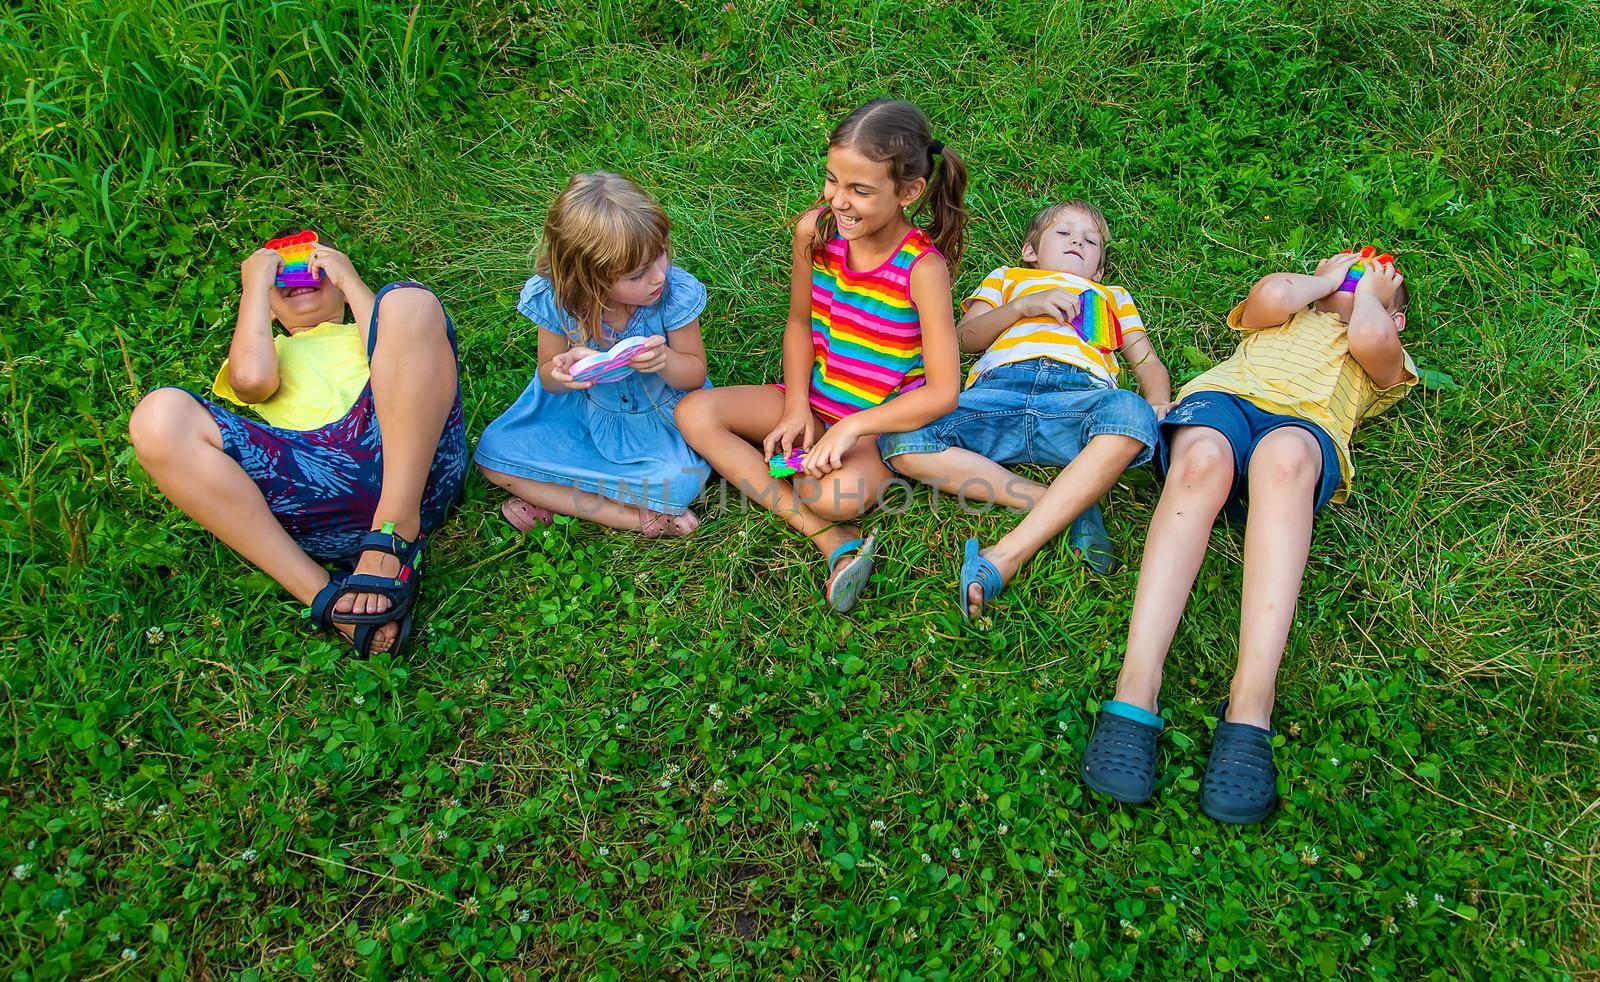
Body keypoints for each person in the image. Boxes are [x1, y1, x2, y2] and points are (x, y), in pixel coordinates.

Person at [1080, 249, 1417, 824]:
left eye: (1378, 279)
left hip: (1305, 427)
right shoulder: (1291, 309)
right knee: (1201, 461)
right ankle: (1137, 687)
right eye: (1350, 268)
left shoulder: (1387, 349)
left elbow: (1370, 337)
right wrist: (1324, 280)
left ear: (1398, 318)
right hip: (1225, 402)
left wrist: (1370, 296)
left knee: (1285, 463)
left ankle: (1250, 704)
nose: (1358, 274)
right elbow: (1268, 296)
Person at [675, 99, 967, 612]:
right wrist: (794, 410)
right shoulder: (816, 231)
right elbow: (799, 323)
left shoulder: (922, 268)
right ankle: (830, 540)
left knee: (829, 496)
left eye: (860, 190)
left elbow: (945, 391)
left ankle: (828, 519)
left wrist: (854, 429)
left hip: (878, 424)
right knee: (694, 411)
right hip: (811, 399)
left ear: (909, 193)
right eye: (833, 180)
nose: (839, 201)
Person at [128, 234, 467, 655]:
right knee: (158, 414)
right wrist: (254, 286)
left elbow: (385, 344)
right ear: (266, 310)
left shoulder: (371, 330)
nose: (299, 277)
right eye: (281, 280)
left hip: (412, 463)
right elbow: (252, 380)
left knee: (406, 301)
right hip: (311, 482)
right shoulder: (271, 351)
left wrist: (350, 281)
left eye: (313, 268)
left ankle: (394, 531)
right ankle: (324, 595)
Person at [880, 199, 1171, 619]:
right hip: (994, 397)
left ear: (1100, 270)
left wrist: (1157, 399)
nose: (1078, 242)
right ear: (1030, 251)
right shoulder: (1008, 279)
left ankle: (1009, 553)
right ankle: (1063, 503)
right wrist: (1020, 307)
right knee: (902, 432)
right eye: (1064, 233)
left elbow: (1145, 362)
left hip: (1077, 401)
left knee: (1131, 415)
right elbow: (964, 339)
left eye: (1090, 241)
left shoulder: (1111, 296)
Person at [475, 172, 712, 538]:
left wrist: (664, 360)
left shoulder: (672, 293)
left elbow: (695, 375)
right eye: (637, 275)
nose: (657, 277)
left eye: (660, 254)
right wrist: (565, 372)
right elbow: (548, 378)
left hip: (657, 417)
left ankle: (559, 496)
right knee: (495, 452)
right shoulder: (558, 299)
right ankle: (639, 517)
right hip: (584, 411)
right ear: (587, 276)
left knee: (678, 485)